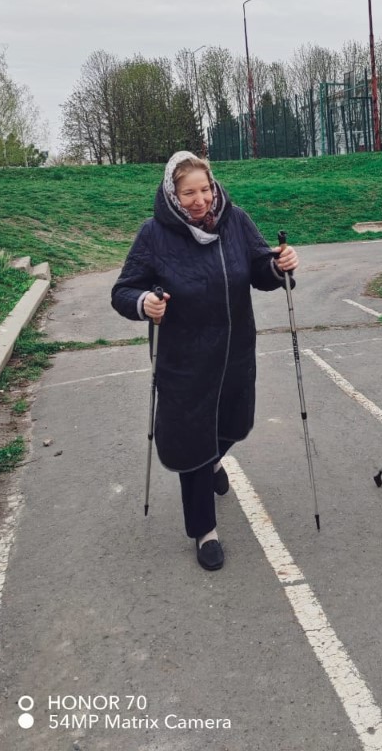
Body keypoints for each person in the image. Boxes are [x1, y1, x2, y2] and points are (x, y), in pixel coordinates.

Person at [111, 151, 299, 571]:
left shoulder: (235, 220)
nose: (200, 200)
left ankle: (213, 459)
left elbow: (260, 269)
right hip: (184, 363)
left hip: (233, 353)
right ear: (171, 195)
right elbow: (123, 291)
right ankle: (204, 530)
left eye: (205, 189)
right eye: (188, 193)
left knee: (235, 422)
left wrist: (278, 264)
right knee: (192, 441)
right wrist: (144, 303)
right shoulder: (153, 235)